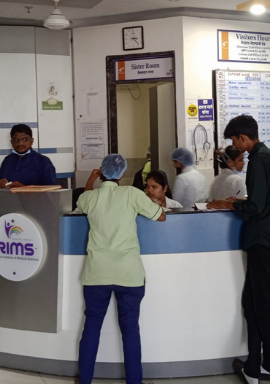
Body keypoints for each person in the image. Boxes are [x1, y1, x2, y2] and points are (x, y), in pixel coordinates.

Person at [207, 115, 270, 383]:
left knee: (259, 305)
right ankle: (258, 363)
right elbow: (263, 198)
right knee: (252, 303)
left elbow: (255, 207)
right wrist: (240, 201)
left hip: (262, 241)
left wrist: (227, 204)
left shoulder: (259, 160)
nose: (234, 146)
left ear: (243, 137)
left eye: (234, 140)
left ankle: (268, 366)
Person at [75, 154, 166, 384]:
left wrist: (91, 180)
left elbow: (81, 201)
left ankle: (84, 380)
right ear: (122, 173)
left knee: (91, 328)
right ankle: (134, 381)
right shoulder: (132, 194)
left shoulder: (91, 197)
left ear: (101, 172)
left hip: (97, 274)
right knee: (130, 330)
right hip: (129, 274)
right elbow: (161, 217)